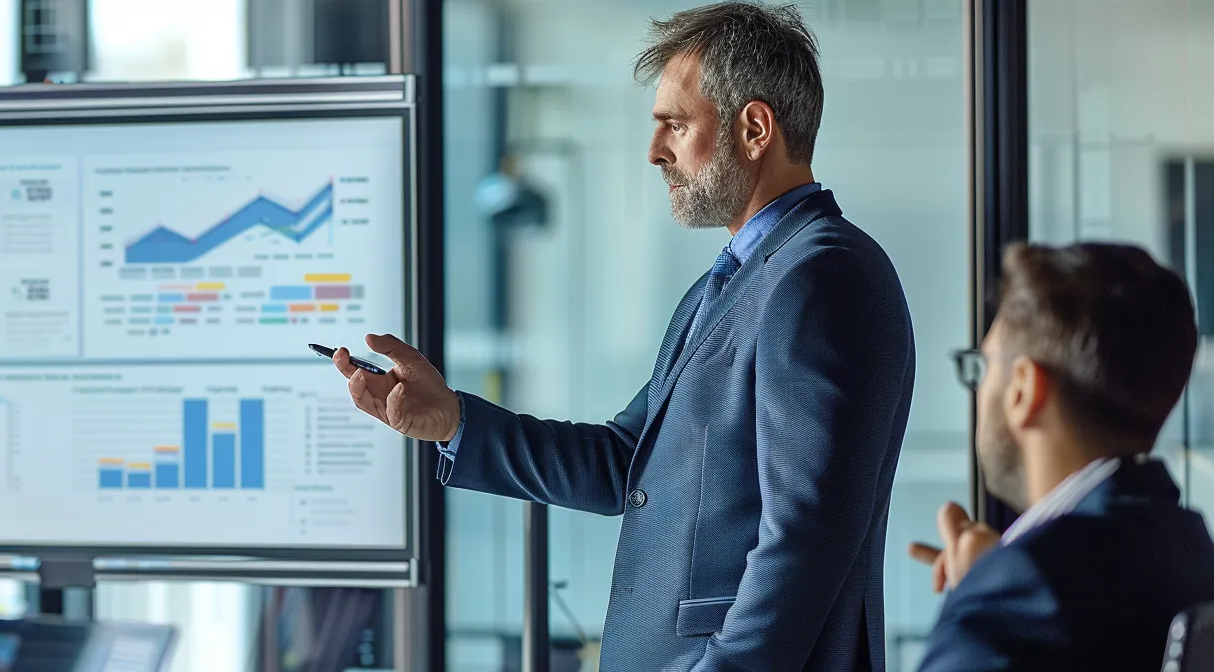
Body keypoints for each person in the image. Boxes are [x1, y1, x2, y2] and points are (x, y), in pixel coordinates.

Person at [335, 3, 915, 670]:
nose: (654, 151)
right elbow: (626, 462)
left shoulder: (820, 279)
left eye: (675, 124)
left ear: (754, 128)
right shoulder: (730, 284)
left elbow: (807, 537)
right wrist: (453, 421)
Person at [909, 243, 1214, 671]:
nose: (978, 391)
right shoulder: (1203, 561)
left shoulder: (1022, 591)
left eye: (983, 367)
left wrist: (982, 592)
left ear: (1023, 390)